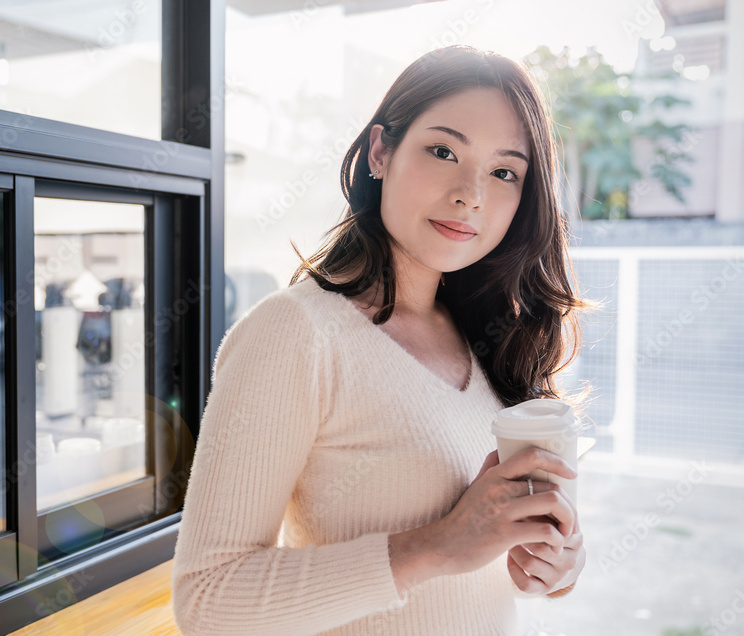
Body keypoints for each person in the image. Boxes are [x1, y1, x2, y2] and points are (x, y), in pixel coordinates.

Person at [171, 45, 588, 636]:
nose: (471, 193)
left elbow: (510, 560)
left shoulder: (487, 333)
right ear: (380, 152)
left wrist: (561, 564)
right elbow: (207, 601)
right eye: (443, 151)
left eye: (504, 172)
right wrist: (439, 545)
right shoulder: (294, 334)